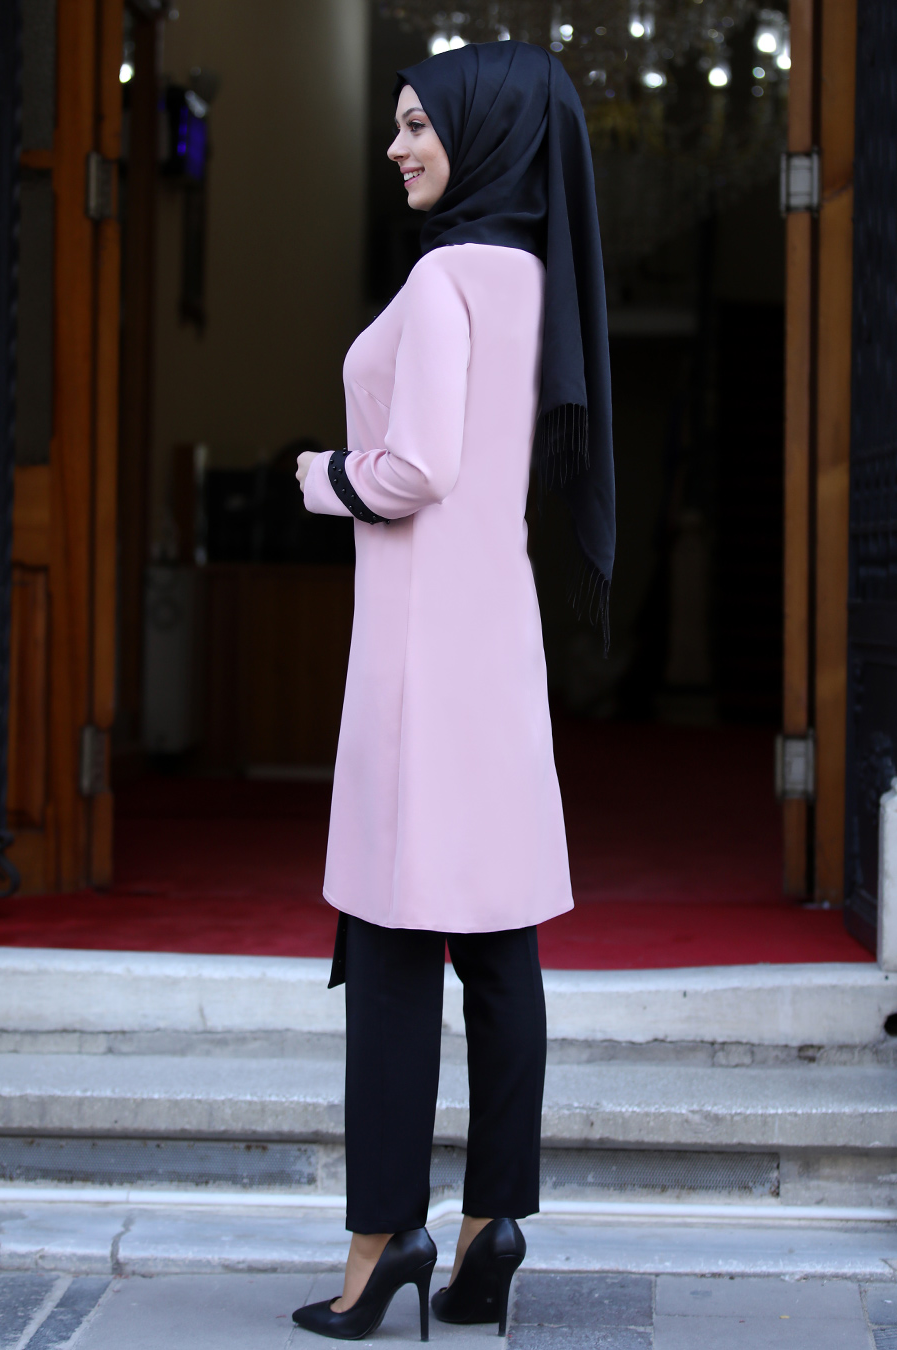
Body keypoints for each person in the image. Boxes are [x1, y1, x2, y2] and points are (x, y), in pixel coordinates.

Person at [291, 37, 613, 1343]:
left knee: (388, 949)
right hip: (499, 642)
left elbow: (415, 467)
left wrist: (320, 476)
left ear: (480, 135)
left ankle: (382, 1242)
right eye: (399, 123)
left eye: (420, 124)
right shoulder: (531, 275)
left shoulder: (440, 281)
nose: (398, 146)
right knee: (496, 943)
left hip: (420, 655)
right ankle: (492, 1228)